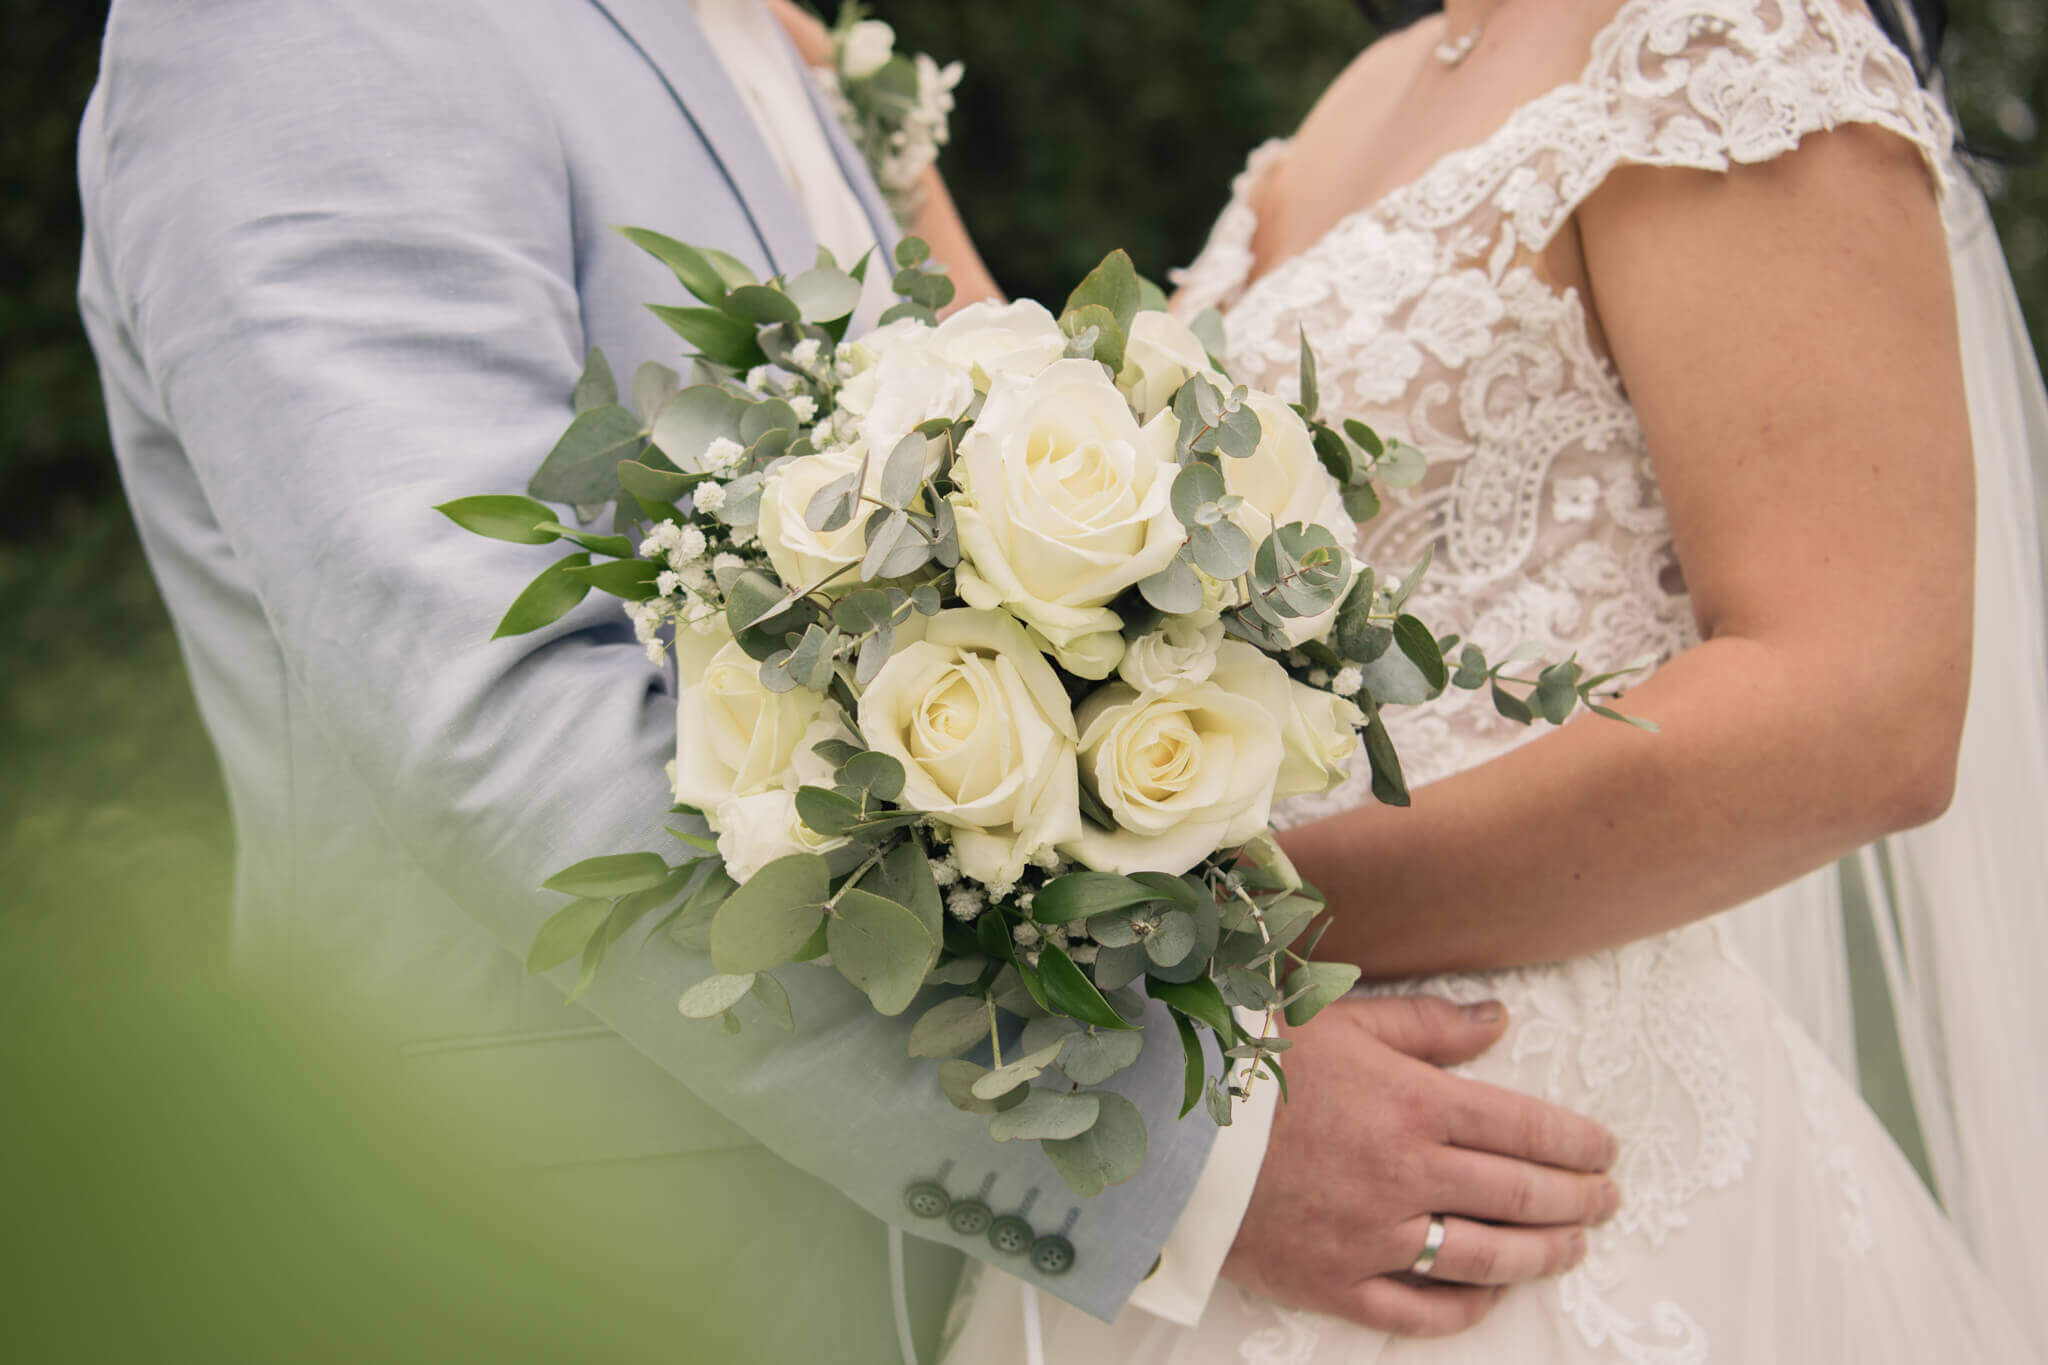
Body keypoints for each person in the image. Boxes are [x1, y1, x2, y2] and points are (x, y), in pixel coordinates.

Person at [74, 2, 1622, 1360]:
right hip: (552, 1252)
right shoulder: (306, 31)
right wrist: (1185, 1141)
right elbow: (500, 725)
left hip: (904, 1278)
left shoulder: (743, 39)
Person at [943, 0, 2048, 1359]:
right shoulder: (1366, 92)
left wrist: (1231, 929)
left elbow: (1858, 711)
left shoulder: (1729, 45)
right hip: (1247, 1147)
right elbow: (1097, 528)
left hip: (1531, 1169)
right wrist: (878, 142)